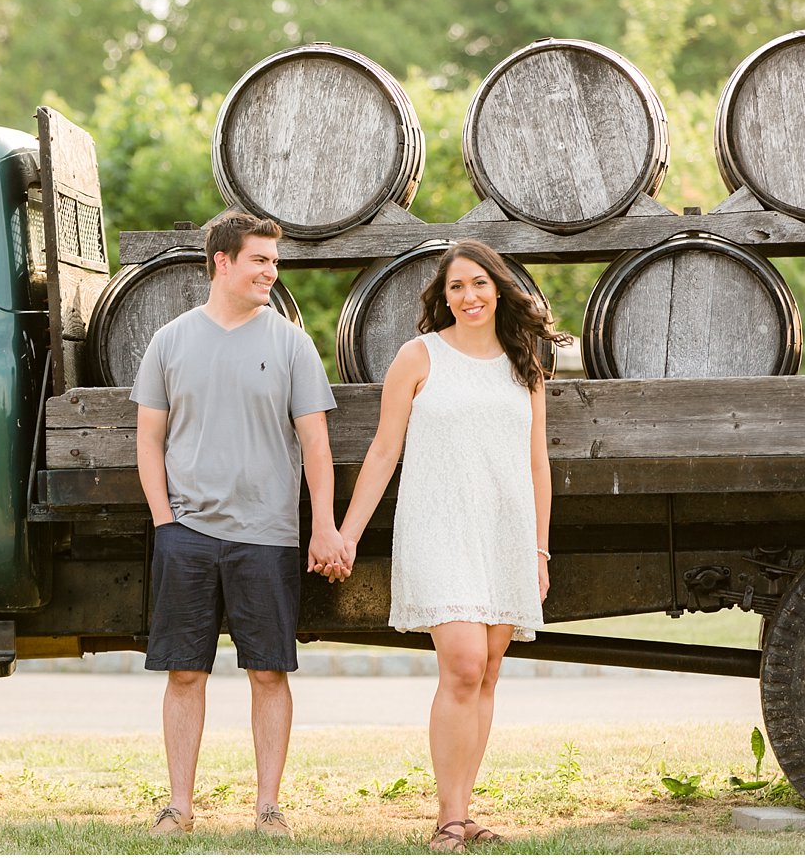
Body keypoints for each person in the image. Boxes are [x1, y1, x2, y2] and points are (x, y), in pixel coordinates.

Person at [335, 239, 569, 852]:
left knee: (488, 672)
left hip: (505, 530)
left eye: (478, 284)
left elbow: (537, 463)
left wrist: (539, 551)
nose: (468, 296)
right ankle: (447, 817)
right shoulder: (418, 357)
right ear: (443, 298)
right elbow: (384, 452)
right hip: (440, 526)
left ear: (498, 288)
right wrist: (349, 534)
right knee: (463, 665)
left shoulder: (526, 362)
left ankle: (464, 812)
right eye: (456, 288)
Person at [131, 209, 346, 839]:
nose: (270, 273)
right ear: (223, 262)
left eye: (274, 262)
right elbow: (149, 441)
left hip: (267, 535)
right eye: (260, 260)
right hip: (187, 534)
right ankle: (178, 808)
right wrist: (164, 522)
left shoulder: (289, 343)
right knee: (184, 672)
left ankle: (268, 809)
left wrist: (324, 526)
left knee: (269, 672)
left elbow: (317, 445)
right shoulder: (170, 341)